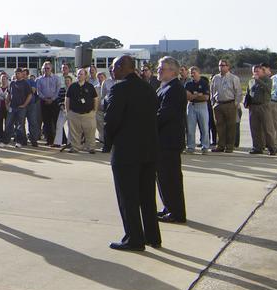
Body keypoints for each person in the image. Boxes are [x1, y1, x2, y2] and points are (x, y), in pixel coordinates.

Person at [103, 55, 162, 251]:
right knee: (147, 196)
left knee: (128, 197)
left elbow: (111, 120)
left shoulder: (119, 89)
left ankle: (134, 238)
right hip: (149, 149)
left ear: (122, 67)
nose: (112, 71)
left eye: (113, 67)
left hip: (126, 152)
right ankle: (153, 236)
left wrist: (108, 143)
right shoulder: (148, 88)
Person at [155, 56, 187, 224]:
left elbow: (165, 114)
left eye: (162, 68)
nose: (158, 71)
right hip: (162, 140)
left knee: (171, 178)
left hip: (169, 140)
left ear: (173, 71)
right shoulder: (164, 87)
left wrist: (146, 121)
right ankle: (169, 207)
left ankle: (176, 212)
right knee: (163, 178)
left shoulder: (175, 89)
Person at [209, 60, 241, 153]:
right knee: (219, 126)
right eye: (220, 65)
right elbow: (212, 91)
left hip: (230, 103)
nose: (221, 67)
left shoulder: (233, 78)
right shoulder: (215, 78)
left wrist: (236, 104)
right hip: (218, 104)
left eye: (223, 65)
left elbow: (238, 92)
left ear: (228, 66)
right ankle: (220, 145)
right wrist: (213, 103)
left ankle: (229, 146)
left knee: (231, 126)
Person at [243, 64, 274, 154]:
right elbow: (249, 92)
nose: (255, 73)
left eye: (257, 71)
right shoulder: (251, 81)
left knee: (267, 128)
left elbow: (268, 89)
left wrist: (258, 80)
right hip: (253, 106)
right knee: (255, 128)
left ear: (262, 71)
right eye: (254, 71)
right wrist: (246, 102)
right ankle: (257, 147)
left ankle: (272, 148)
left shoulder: (267, 80)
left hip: (264, 105)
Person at [64, 68, 98, 153]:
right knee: (74, 133)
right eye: (78, 74)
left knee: (90, 132)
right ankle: (75, 148)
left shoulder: (90, 86)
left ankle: (91, 148)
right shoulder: (72, 86)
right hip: (74, 114)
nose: (79, 75)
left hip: (88, 114)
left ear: (85, 76)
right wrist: (68, 112)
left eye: (81, 74)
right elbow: (67, 99)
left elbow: (95, 99)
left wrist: (95, 111)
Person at [183, 66, 211, 154]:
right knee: (190, 128)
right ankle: (191, 147)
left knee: (204, 127)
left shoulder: (204, 83)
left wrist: (193, 95)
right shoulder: (188, 84)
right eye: (191, 73)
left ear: (199, 73)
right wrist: (198, 95)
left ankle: (205, 147)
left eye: (194, 73)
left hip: (202, 106)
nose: (192, 74)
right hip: (191, 106)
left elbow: (206, 97)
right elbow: (187, 97)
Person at [33, 62, 62, 146]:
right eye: (45, 68)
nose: (46, 70)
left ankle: (58, 141)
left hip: (54, 102)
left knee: (56, 121)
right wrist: (45, 99)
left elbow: (58, 90)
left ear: (51, 69)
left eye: (48, 68)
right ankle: (50, 140)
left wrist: (52, 99)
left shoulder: (56, 78)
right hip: (44, 102)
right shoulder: (39, 79)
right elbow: (38, 91)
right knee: (47, 122)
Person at [7, 68, 34, 149]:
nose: (17, 75)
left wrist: (24, 104)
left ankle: (19, 142)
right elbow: (9, 94)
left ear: (22, 74)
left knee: (20, 125)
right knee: (9, 124)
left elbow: (30, 95)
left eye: (18, 73)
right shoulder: (12, 83)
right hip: (12, 107)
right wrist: (7, 103)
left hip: (21, 108)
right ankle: (5, 141)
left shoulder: (25, 83)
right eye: (15, 73)